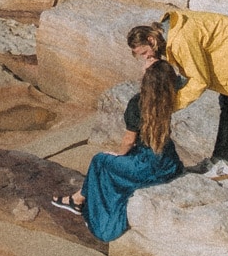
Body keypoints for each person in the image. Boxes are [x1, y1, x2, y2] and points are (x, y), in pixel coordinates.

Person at [54, 55, 184, 241]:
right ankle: (78, 197)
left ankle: (78, 200)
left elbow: (129, 141)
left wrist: (118, 155)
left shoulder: (138, 103)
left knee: (100, 160)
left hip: (145, 166)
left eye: (149, 62)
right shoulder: (172, 94)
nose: (146, 59)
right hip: (167, 162)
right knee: (109, 163)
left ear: (148, 78)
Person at [128, 9, 228, 178]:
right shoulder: (166, 34)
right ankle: (218, 160)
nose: (146, 57)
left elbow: (199, 81)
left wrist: (170, 106)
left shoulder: (180, 39)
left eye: (144, 52)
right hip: (227, 47)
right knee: (227, 104)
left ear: (150, 39)